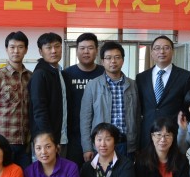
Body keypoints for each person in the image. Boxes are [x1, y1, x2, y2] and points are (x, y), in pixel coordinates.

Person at [80, 41, 139, 160]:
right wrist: (87, 148)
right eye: (108, 58)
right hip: (101, 144)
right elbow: (85, 119)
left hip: (126, 144)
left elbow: (137, 116)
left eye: (117, 57)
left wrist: (137, 145)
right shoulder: (92, 85)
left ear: (123, 60)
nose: (113, 61)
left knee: (126, 172)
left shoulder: (133, 84)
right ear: (102, 61)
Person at [0, 31, 33, 169]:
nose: (16, 51)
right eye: (12, 47)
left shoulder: (31, 77)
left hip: (24, 143)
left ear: (26, 50)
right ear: (6, 49)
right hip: (2, 142)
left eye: (20, 47)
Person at [136, 35, 190, 148]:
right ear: (152, 52)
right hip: (147, 133)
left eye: (166, 48)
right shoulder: (141, 77)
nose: (162, 51)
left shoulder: (186, 76)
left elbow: (188, 106)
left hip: (172, 133)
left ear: (173, 51)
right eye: (157, 48)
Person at [63, 33, 104, 166]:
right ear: (77, 51)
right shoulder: (66, 74)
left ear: (96, 51)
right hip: (72, 136)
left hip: (100, 134)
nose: (86, 52)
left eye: (90, 48)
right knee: (73, 171)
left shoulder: (104, 73)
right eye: (82, 48)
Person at [29, 32, 70, 156]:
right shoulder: (40, 74)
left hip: (60, 137)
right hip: (46, 142)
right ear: (40, 51)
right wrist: (49, 140)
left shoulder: (59, 72)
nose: (54, 51)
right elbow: (39, 110)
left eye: (57, 46)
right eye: (48, 47)